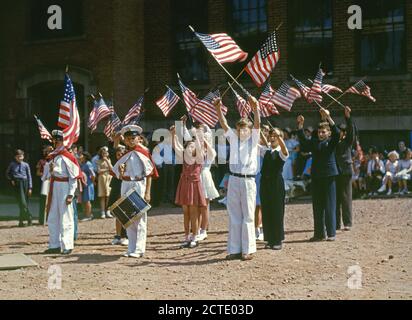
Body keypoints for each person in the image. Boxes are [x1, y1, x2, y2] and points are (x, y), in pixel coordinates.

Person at [214, 95, 261, 261]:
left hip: (248, 180)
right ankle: (234, 249)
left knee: (248, 214)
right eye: (240, 129)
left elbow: (257, 125)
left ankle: (247, 250)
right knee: (234, 214)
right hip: (233, 179)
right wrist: (218, 108)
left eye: (245, 129)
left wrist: (255, 108)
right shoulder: (233, 140)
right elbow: (223, 124)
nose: (243, 131)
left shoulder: (253, 141)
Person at [111, 125, 158, 258]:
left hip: (138, 184)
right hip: (125, 183)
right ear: (124, 140)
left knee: (139, 217)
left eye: (133, 138)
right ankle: (131, 248)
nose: (130, 140)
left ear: (139, 139)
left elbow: (149, 173)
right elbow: (117, 172)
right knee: (128, 217)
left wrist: (148, 192)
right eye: (127, 138)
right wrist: (120, 173)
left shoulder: (143, 153)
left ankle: (139, 248)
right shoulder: (125, 154)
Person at [296, 108, 340, 242]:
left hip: (329, 176)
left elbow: (337, 133)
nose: (321, 134)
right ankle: (319, 233)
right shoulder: (314, 143)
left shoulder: (331, 142)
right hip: (316, 176)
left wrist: (328, 117)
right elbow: (303, 140)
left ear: (328, 133)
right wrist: (300, 126)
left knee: (329, 204)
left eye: (324, 132)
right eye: (320, 132)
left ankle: (331, 233)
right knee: (317, 206)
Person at [42, 130, 81, 254]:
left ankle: (67, 245)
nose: (56, 142)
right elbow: (45, 176)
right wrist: (50, 169)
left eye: (58, 140)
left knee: (66, 216)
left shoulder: (67, 156)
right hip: (54, 187)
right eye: (54, 140)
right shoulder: (53, 156)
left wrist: (70, 194)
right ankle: (54, 245)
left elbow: (73, 176)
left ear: (64, 141)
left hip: (64, 186)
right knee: (53, 217)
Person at [172, 125, 208, 248]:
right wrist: (173, 135)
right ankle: (187, 236)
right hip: (184, 184)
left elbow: (199, 147)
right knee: (186, 212)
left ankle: (195, 236)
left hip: (194, 184)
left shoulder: (199, 158)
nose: (189, 147)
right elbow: (176, 147)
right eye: (188, 145)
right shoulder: (184, 158)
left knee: (194, 212)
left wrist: (197, 136)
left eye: (192, 146)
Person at [260, 128, 289, 250]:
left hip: (276, 183)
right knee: (267, 210)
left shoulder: (281, 152)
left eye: (275, 136)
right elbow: (259, 136)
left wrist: (280, 137)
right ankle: (270, 239)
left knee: (277, 210)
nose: (272, 138)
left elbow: (285, 151)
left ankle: (277, 239)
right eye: (271, 136)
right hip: (265, 182)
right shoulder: (266, 151)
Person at [198, 124, 220, 241]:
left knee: (204, 205)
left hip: (204, 176)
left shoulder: (210, 152)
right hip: (195, 177)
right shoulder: (195, 150)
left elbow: (212, 153)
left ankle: (204, 229)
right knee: (196, 205)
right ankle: (197, 228)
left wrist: (204, 139)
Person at [335, 106, 355, 231]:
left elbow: (351, 131)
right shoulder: (333, 142)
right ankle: (336, 223)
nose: (338, 133)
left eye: (341, 131)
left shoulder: (347, 141)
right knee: (335, 199)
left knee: (346, 197)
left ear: (344, 133)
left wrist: (348, 117)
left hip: (345, 171)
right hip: (335, 172)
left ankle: (347, 223)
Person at [6, 149, 33, 227]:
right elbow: (7, 173)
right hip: (17, 184)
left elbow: (29, 176)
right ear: (15, 157)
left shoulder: (26, 165)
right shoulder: (12, 164)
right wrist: (11, 179)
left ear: (23, 156)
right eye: (18, 157)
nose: (20, 158)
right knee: (22, 203)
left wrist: (30, 187)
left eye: (21, 156)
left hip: (25, 183)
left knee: (24, 203)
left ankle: (21, 222)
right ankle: (29, 218)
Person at [108, 145, 128, 246]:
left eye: (122, 154)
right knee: (117, 213)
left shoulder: (128, 164)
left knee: (125, 213)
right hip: (116, 188)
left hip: (125, 188)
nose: (119, 156)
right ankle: (118, 235)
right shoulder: (116, 164)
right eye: (118, 154)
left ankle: (125, 236)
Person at [36, 145, 53, 225]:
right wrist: (45, 175)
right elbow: (38, 172)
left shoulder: (54, 160)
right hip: (45, 182)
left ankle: (50, 218)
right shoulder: (42, 161)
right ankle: (42, 219)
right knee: (44, 200)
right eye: (48, 151)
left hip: (53, 182)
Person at [96, 147, 113, 218]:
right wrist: (107, 169)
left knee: (108, 195)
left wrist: (107, 162)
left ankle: (108, 210)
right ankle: (102, 211)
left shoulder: (109, 160)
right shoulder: (99, 161)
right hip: (102, 179)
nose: (104, 154)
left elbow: (112, 168)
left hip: (108, 178)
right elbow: (98, 171)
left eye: (105, 153)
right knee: (102, 196)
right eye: (103, 153)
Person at [79, 152, 96, 221]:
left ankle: (88, 216)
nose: (80, 156)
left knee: (87, 200)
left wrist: (92, 181)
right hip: (85, 184)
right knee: (84, 200)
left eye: (81, 155)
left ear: (85, 156)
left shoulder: (88, 164)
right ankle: (87, 214)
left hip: (88, 184)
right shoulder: (83, 164)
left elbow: (93, 174)